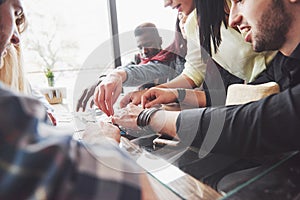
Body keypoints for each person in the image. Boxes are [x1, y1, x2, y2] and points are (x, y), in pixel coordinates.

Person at [0, 1, 157, 199]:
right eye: (13, 13)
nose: (16, 38)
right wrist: (102, 138)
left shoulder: (171, 58)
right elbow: (133, 188)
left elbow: (152, 69)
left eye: (17, 14)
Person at [112, 0, 300, 156]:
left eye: (241, 0)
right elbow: (247, 97)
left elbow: (252, 120)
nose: (233, 20)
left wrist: (151, 116)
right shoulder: (284, 66)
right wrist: (176, 94)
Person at [116, 0, 277, 110]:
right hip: (261, 95)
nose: (166, 3)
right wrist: (152, 92)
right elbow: (193, 73)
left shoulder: (244, 5)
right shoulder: (194, 24)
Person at [77, 20, 187, 114]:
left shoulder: (170, 60)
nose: (144, 51)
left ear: (160, 41)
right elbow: (125, 69)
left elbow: (143, 71)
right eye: (140, 47)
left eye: (148, 44)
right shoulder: (138, 60)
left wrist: (118, 76)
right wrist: (104, 78)